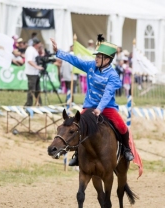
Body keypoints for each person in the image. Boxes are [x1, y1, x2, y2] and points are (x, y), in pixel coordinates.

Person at [50, 34, 134, 166]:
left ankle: (126, 149)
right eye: (96, 56)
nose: (96, 58)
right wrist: (58, 52)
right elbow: (75, 60)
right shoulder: (90, 66)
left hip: (107, 108)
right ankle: (77, 155)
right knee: (76, 127)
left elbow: (107, 94)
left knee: (123, 127)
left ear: (107, 60)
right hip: (88, 107)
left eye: (99, 57)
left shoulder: (113, 75)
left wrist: (99, 109)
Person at [24, 37, 44, 106]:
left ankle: (39, 104)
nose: (40, 44)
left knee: (37, 90)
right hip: (31, 73)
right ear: (36, 44)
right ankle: (28, 104)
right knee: (31, 90)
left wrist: (41, 49)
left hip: (35, 73)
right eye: (39, 43)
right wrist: (37, 67)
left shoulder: (35, 50)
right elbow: (29, 61)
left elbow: (42, 56)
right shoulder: (30, 50)